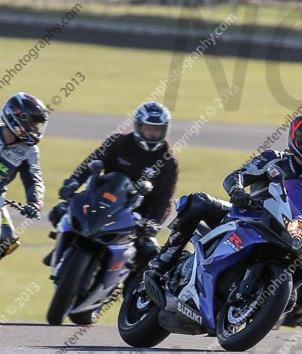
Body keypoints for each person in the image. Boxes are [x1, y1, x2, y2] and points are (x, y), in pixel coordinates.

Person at [145, 112, 302, 309]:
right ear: (300, 141)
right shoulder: (273, 159)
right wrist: (237, 192)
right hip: (249, 216)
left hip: (289, 233)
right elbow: (236, 176)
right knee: (198, 202)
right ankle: (165, 258)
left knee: (292, 293)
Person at [49, 102, 178, 267]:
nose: (152, 133)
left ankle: (130, 281)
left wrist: (153, 224)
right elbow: (90, 162)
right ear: (138, 126)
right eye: (148, 128)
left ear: (165, 130)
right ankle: (61, 249)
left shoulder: (168, 161)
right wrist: (72, 183)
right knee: (60, 211)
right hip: (100, 199)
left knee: (148, 251)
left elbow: (165, 199)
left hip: (135, 215)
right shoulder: (118, 142)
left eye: (157, 129)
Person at [0, 93, 48, 259]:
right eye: (33, 123)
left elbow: (34, 179)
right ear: (17, 119)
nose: (35, 129)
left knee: (7, 241)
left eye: (37, 124)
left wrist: (34, 202)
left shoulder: (28, 151)